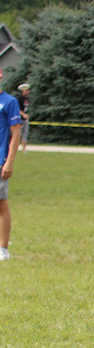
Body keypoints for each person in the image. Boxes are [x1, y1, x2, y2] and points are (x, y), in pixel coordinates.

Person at [0, 70, 23, 259]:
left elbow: (16, 133)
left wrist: (9, 161)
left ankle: (3, 249)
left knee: (1, 205)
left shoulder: (9, 102)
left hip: (0, 161)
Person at [17, 83, 30, 153]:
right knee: (19, 134)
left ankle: (24, 149)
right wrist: (23, 114)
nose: (27, 91)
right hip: (19, 119)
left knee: (25, 133)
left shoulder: (27, 99)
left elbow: (26, 108)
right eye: (25, 90)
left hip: (25, 119)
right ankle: (14, 148)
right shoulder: (19, 98)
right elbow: (17, 109)